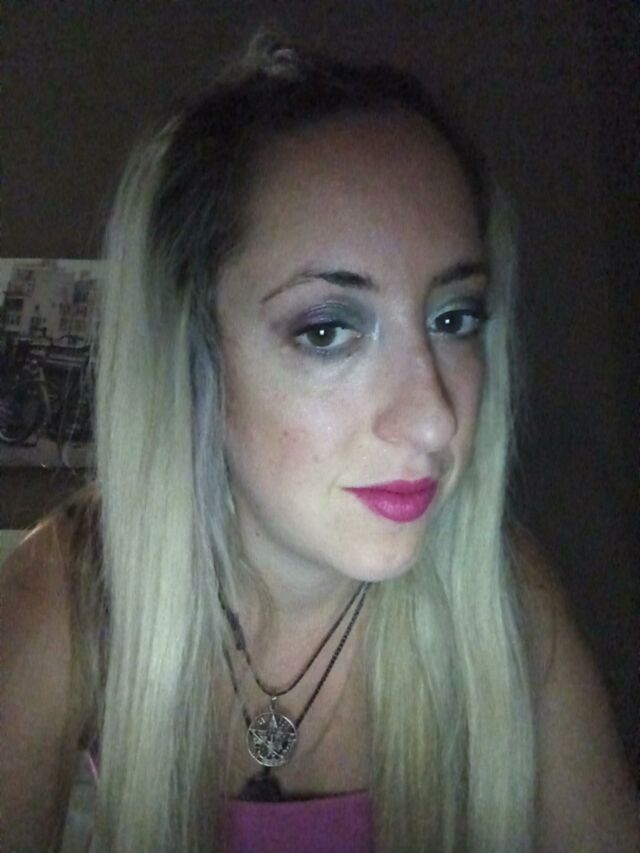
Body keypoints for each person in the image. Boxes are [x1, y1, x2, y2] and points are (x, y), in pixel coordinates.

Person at [0, 31, 637, 853]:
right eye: (328, 330)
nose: (434, 419)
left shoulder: (505, 597)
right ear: (193, 356)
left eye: (454, 318)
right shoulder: (70, 597)